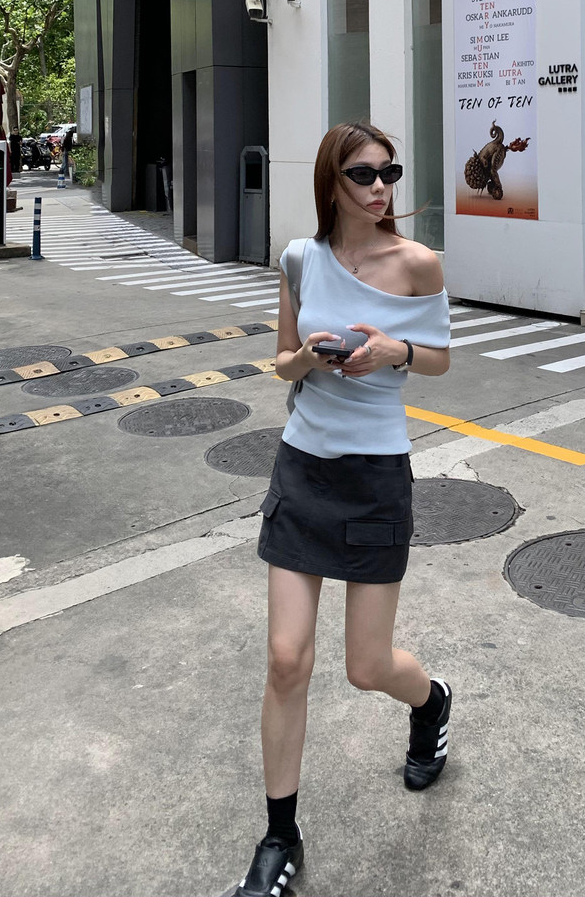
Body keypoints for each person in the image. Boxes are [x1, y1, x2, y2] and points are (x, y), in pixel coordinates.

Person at [234, 123, 452, 897]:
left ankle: (431, 702)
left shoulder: (418, 264)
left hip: (375, 477)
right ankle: (280, 836)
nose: (381, 187)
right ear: (332, 181)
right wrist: (307, 356)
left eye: (390, 172)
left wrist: (395, 353)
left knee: (367, 667)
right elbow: (280, 363)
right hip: (303, 470)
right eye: (364, 174)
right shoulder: (300, 258)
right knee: (286, 659)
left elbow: (439, 359)